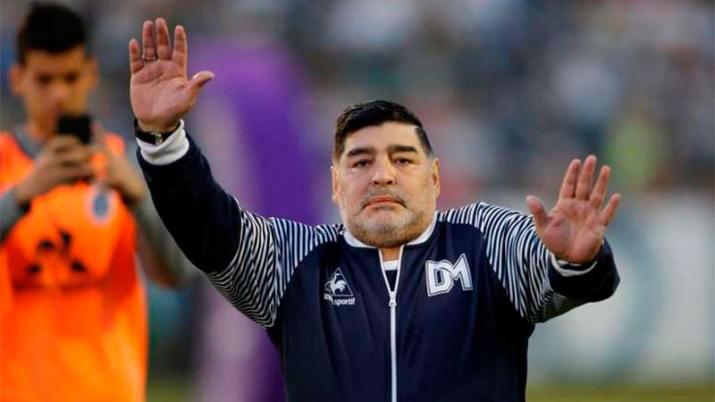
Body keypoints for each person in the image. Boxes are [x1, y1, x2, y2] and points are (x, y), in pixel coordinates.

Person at [129, 19, 622, 402]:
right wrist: (163, 139)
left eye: (402, 159)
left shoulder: (484, 239)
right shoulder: (296, 261)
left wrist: (575, 261)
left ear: (434, 178)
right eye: (361, 162)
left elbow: (553, 278)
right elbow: (208, 227)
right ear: (336, 185)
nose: (382, 175)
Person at [0, 5, 194, 402]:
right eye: (44, 80)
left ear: (90, 74)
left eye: (70, 78)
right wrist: (21, 195)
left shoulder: (121, 165)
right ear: (17, 79)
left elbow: (175, 274)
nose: (58, 94)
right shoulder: (4, 167)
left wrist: (139, 200)